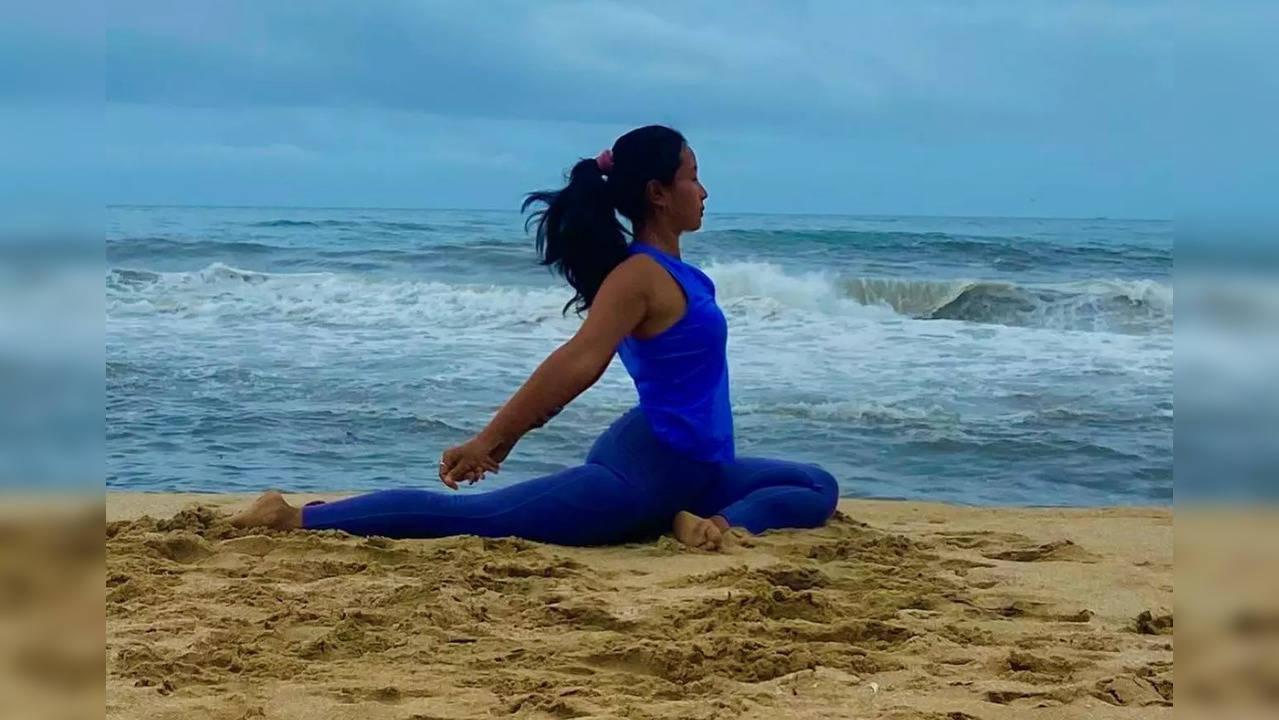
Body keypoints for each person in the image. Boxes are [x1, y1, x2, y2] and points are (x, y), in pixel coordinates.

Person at [231, 125, 838, 550]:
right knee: (479, 518)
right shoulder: (637, 278)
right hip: (643, 471)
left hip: (699, 469)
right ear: (657, 192)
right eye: (693, 177)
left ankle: (707, 524)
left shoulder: (684, 275)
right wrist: (491, 441)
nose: (703, 191)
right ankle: (298, 519)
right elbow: (577, 361)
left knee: (815, 486)